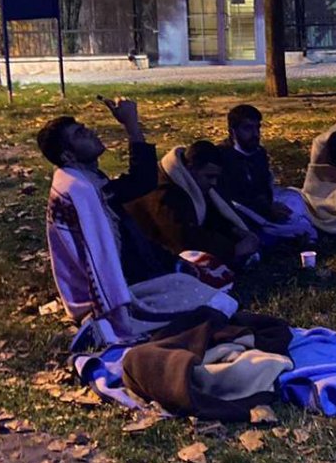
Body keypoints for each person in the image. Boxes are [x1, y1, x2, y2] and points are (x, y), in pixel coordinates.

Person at [39, 99, 237, 346]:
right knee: (220, 302)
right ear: (68, 155)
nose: (90, 131)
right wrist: (131, 125)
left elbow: (140, 182)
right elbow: (101, 260)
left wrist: (131, 126)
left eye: (84, 127)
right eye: (80, 134)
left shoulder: (91, 182)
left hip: (143, 268)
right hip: (129, 285)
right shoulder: (82, 191)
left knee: (205, 270)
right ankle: (104, 329)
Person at [127, 140, 261, 267]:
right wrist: (233, 249)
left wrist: (235, 231)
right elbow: (184, 240)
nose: (213, 183)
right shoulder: (164, 193)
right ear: (191, 168)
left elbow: (210, 216)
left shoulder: (189, 182)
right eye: (209, 177)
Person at [217, 105, 316, 244]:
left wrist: (271, 205)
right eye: (248, 128)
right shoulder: (222, 156)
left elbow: (264, 187)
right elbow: (229, 197)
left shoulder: (259, 153)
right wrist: (266, 209)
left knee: (295, 197)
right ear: (232, 131)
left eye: (257, 128)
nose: (255, 134)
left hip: (265, 207)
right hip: (241, 211)